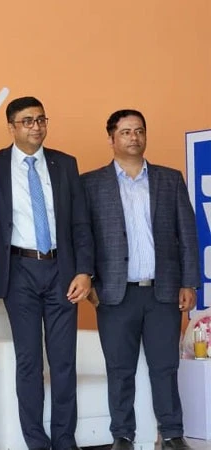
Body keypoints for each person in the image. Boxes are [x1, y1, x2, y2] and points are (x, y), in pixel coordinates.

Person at [0, 96, 93, 450]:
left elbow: (80, 223)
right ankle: (36, 442)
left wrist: (84, 271)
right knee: (28, 362)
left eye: (41, 120)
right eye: (27, 121)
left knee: (63, 362)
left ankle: (64, 440)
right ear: (11, 126)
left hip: (62, 270)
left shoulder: (64, 164)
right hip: (19, 270)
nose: (36, 127)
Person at [82, 110, 198, 450]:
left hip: (163, 291)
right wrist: (89, 281)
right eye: (126, 131)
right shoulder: (90, 184)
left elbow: (187, 235)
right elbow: (83, 237)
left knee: (165, 366)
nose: (134, 137)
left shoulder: (169, 179)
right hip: (115, 294)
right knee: (120, 369)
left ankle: (173, 433)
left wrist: (188, 282)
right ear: (111, 138)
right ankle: (123, 435)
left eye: (139, 131)